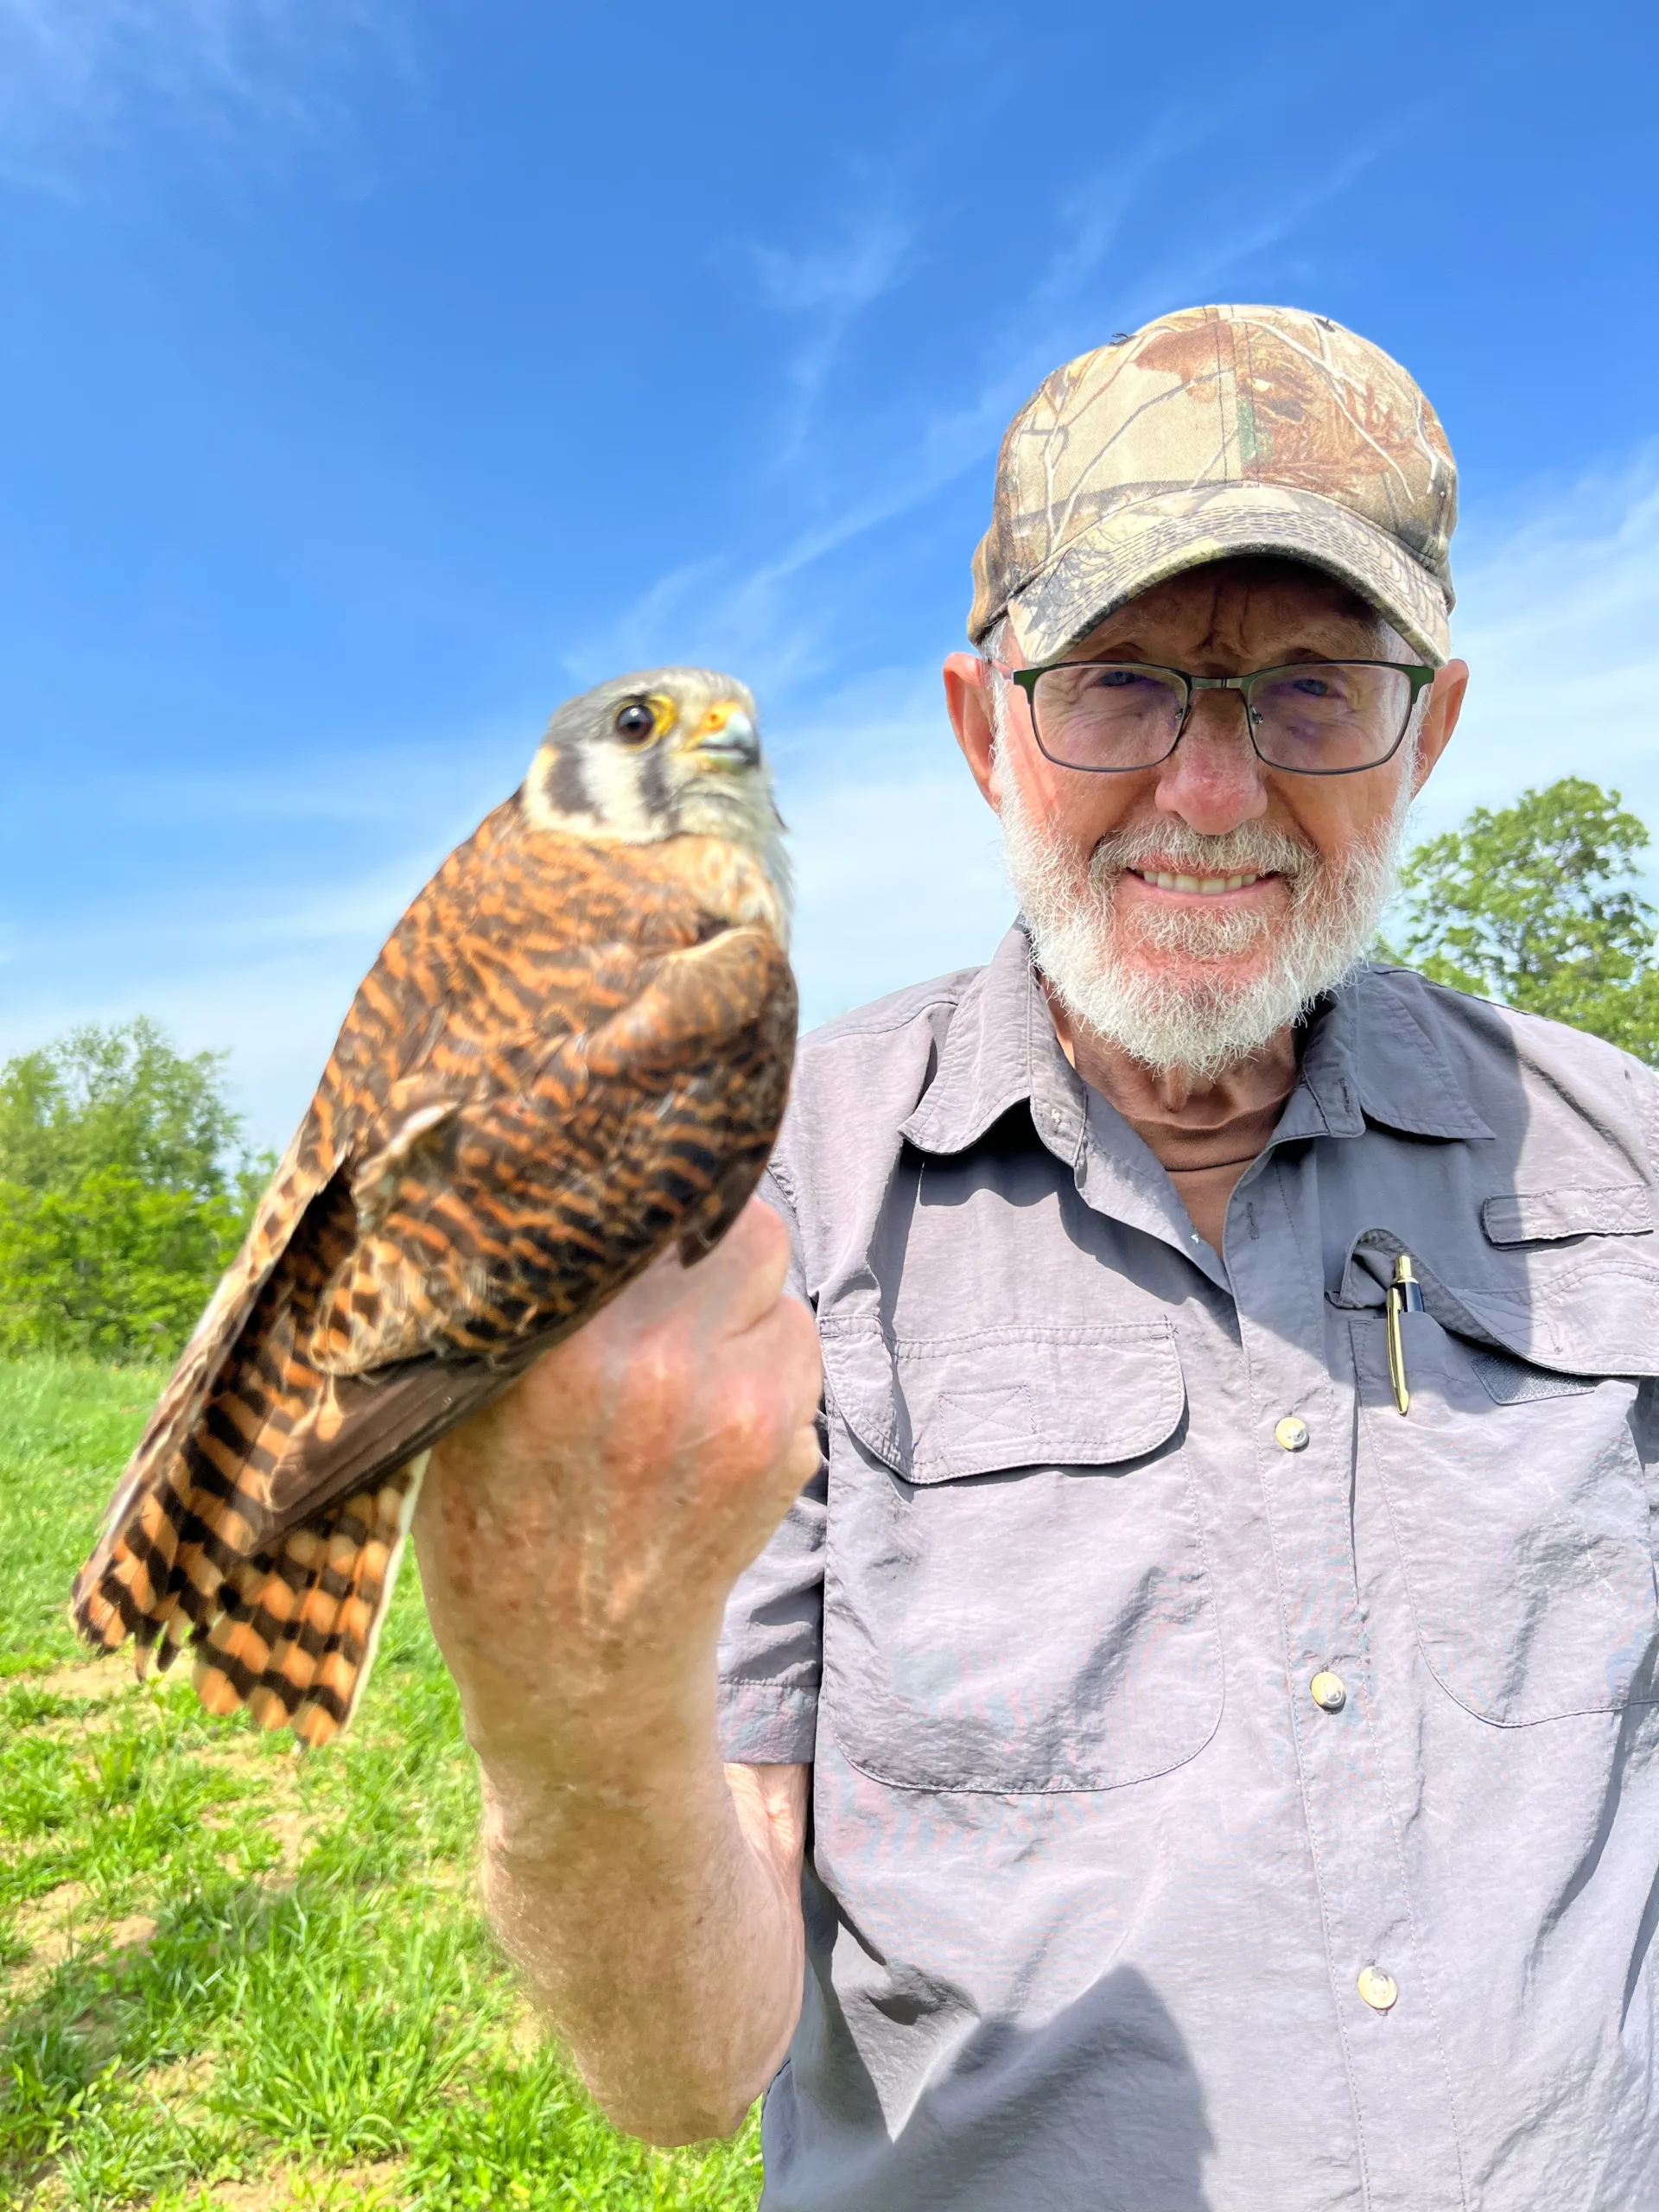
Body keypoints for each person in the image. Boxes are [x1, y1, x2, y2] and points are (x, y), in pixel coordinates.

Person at [414, 304, 1659, 2210]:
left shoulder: (1626, 1160)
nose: (1215, 790)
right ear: (986, 725)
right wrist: (576, 1696)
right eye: (1119, 679)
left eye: (1316, 687)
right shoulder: (757, 1212)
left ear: (1435, 728)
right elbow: (687, 2072)